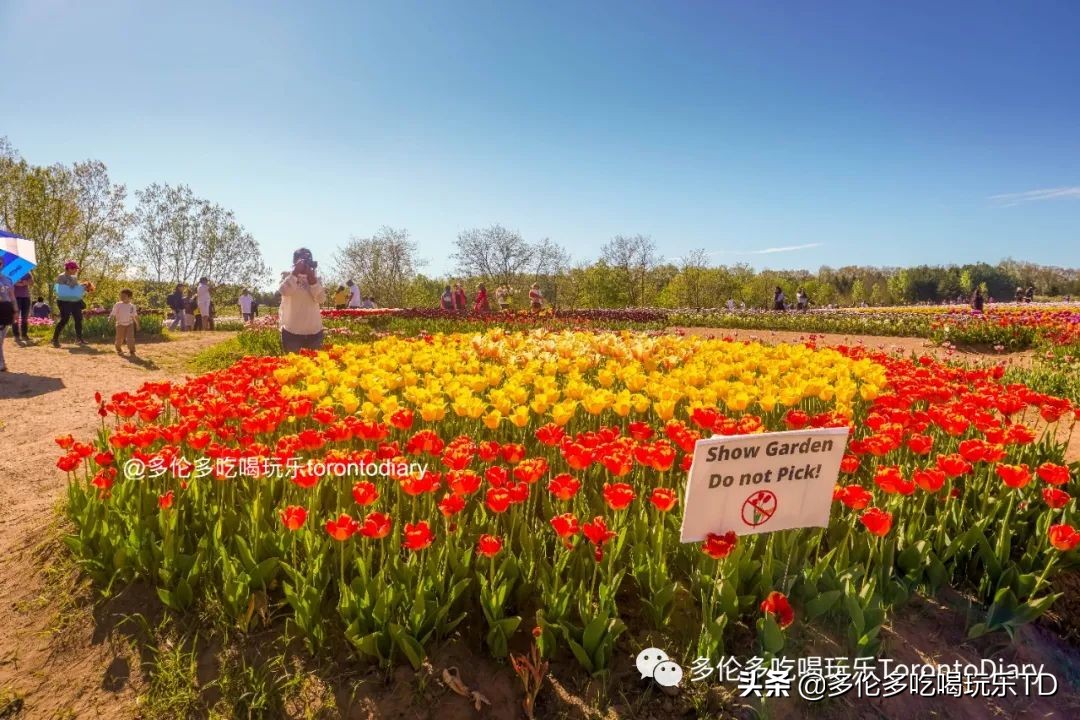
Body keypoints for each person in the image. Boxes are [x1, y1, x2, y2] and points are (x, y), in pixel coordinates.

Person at [279, 247, 326, 353]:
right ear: (295, 261)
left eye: (308, 260)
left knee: (315, 368)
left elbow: (321, 299)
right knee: (293, 367)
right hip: (292, 332)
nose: (306, 263)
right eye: (303, 260)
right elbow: (284, 291)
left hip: (315, 332)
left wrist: (312, 279)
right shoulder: (287, 275)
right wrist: (295, 273)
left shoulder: (316, 279)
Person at [52, 261, 88, 347]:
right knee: (65, 319)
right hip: (63, 301)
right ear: (69, 268)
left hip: (74, 301)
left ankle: (79, 339)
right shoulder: (61, 277)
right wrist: (70, 285)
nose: (76, 270)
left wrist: (83, 286)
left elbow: (75, 289)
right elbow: (60, 290)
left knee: (78, 318)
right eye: (75, 269)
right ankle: (55, 339)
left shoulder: (74, 277)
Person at [109, 289, 140, 356]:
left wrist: (137, 325)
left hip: (129, 324)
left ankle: (132, 350)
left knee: (130, 338)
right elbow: (113, 313)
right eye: (121, 295)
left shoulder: (132, 306)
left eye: (124, 296)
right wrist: (110, 319)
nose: (122, 297)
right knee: (119, 338)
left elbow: (135, 316)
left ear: (129, 297)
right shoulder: (118, 305)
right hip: (120, 324)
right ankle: (118, 349)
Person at [0, 259, 14, 371]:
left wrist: (16, 309)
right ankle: (2, 363)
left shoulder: (8, 279)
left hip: (6, 309)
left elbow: (12, 296)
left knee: (1, 339)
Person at [10, 270, 31, 341]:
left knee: (25, 317)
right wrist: (21, 283)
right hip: (15, 297)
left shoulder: (27, 273)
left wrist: (27, 282)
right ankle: (16, 335)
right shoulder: (12, 273)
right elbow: (11, 282)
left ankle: (24, 335)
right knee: (15, 317)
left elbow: (32, 282)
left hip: (26, 297)